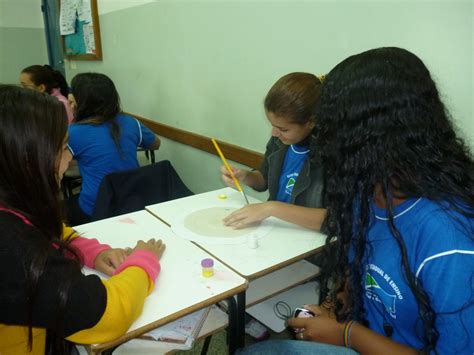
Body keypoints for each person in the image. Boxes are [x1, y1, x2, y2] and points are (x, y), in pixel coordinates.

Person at [238, 47, 474, 354]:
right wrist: (337, 304)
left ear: (371, 136)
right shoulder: (370, 190)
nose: (325, 141)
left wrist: (347, 335)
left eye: (333, 129)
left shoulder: (448, 238)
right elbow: (357, 262)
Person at [0, 85, 166, 355]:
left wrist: (90, 250)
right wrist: (144, 260)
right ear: (27, 158)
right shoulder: (14, 250)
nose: (69, 158)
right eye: (64, 148)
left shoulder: (12, 206)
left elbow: (46, 231)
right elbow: (108, 315)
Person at [221, 72, 326, 231]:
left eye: (283, 129)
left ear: (311, 122)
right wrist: (246, 176)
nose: (274, 133)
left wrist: (270, 208)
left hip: (308, 241)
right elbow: (264, 179)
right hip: (277, 230)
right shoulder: (281, 142)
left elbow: (333, 220)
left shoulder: (330, 155)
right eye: (272, 125)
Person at [65, 73, 161, 225]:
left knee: (68, 206)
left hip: (95, 208)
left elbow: (59, 164)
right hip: (133, 202)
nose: (69, 106)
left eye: (71, 102)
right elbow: (156, 144)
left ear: (81, 104)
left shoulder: (73, 133)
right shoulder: (130, 122)